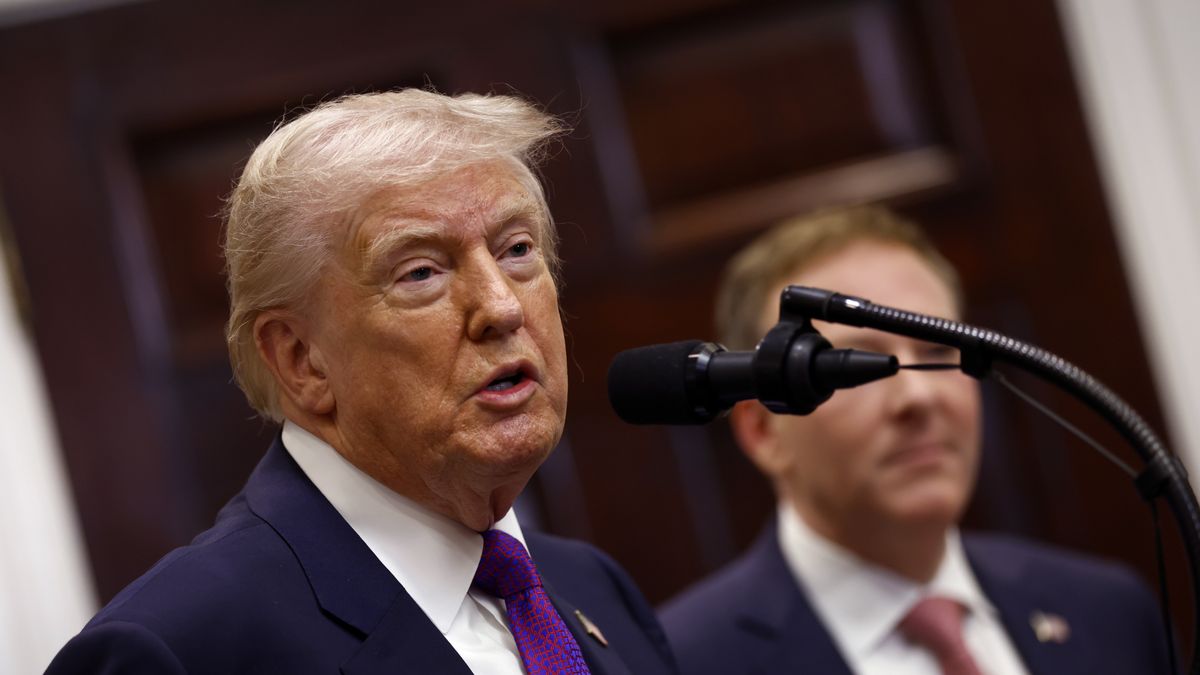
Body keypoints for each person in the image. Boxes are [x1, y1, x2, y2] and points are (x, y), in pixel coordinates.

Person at [48, 89, 677, 675]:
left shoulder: (594, 586)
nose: (502, 307)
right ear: (302, 360)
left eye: (517, 250)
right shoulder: (178, 649)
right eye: (422, 272)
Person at [658, 205, 1173, 675]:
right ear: (763, 429)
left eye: (938, 351)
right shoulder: (679, 662)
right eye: (851, 366)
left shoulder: (1109, 610)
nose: (918, 396)